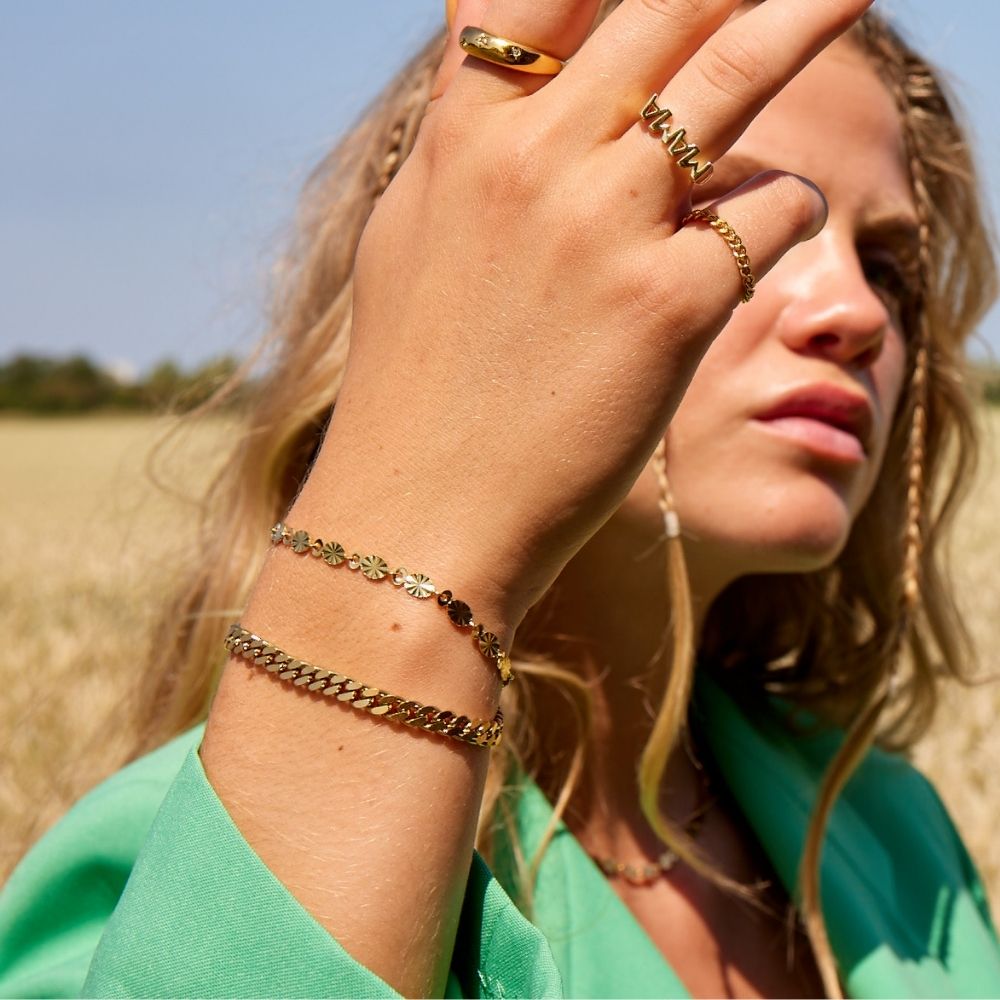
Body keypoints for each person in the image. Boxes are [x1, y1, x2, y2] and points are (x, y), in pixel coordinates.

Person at [1, 0, 998, 996]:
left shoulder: (894, 832)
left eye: (887, 267)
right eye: (729, 215)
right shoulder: (182, 875)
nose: (855, 312)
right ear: (469, 257)